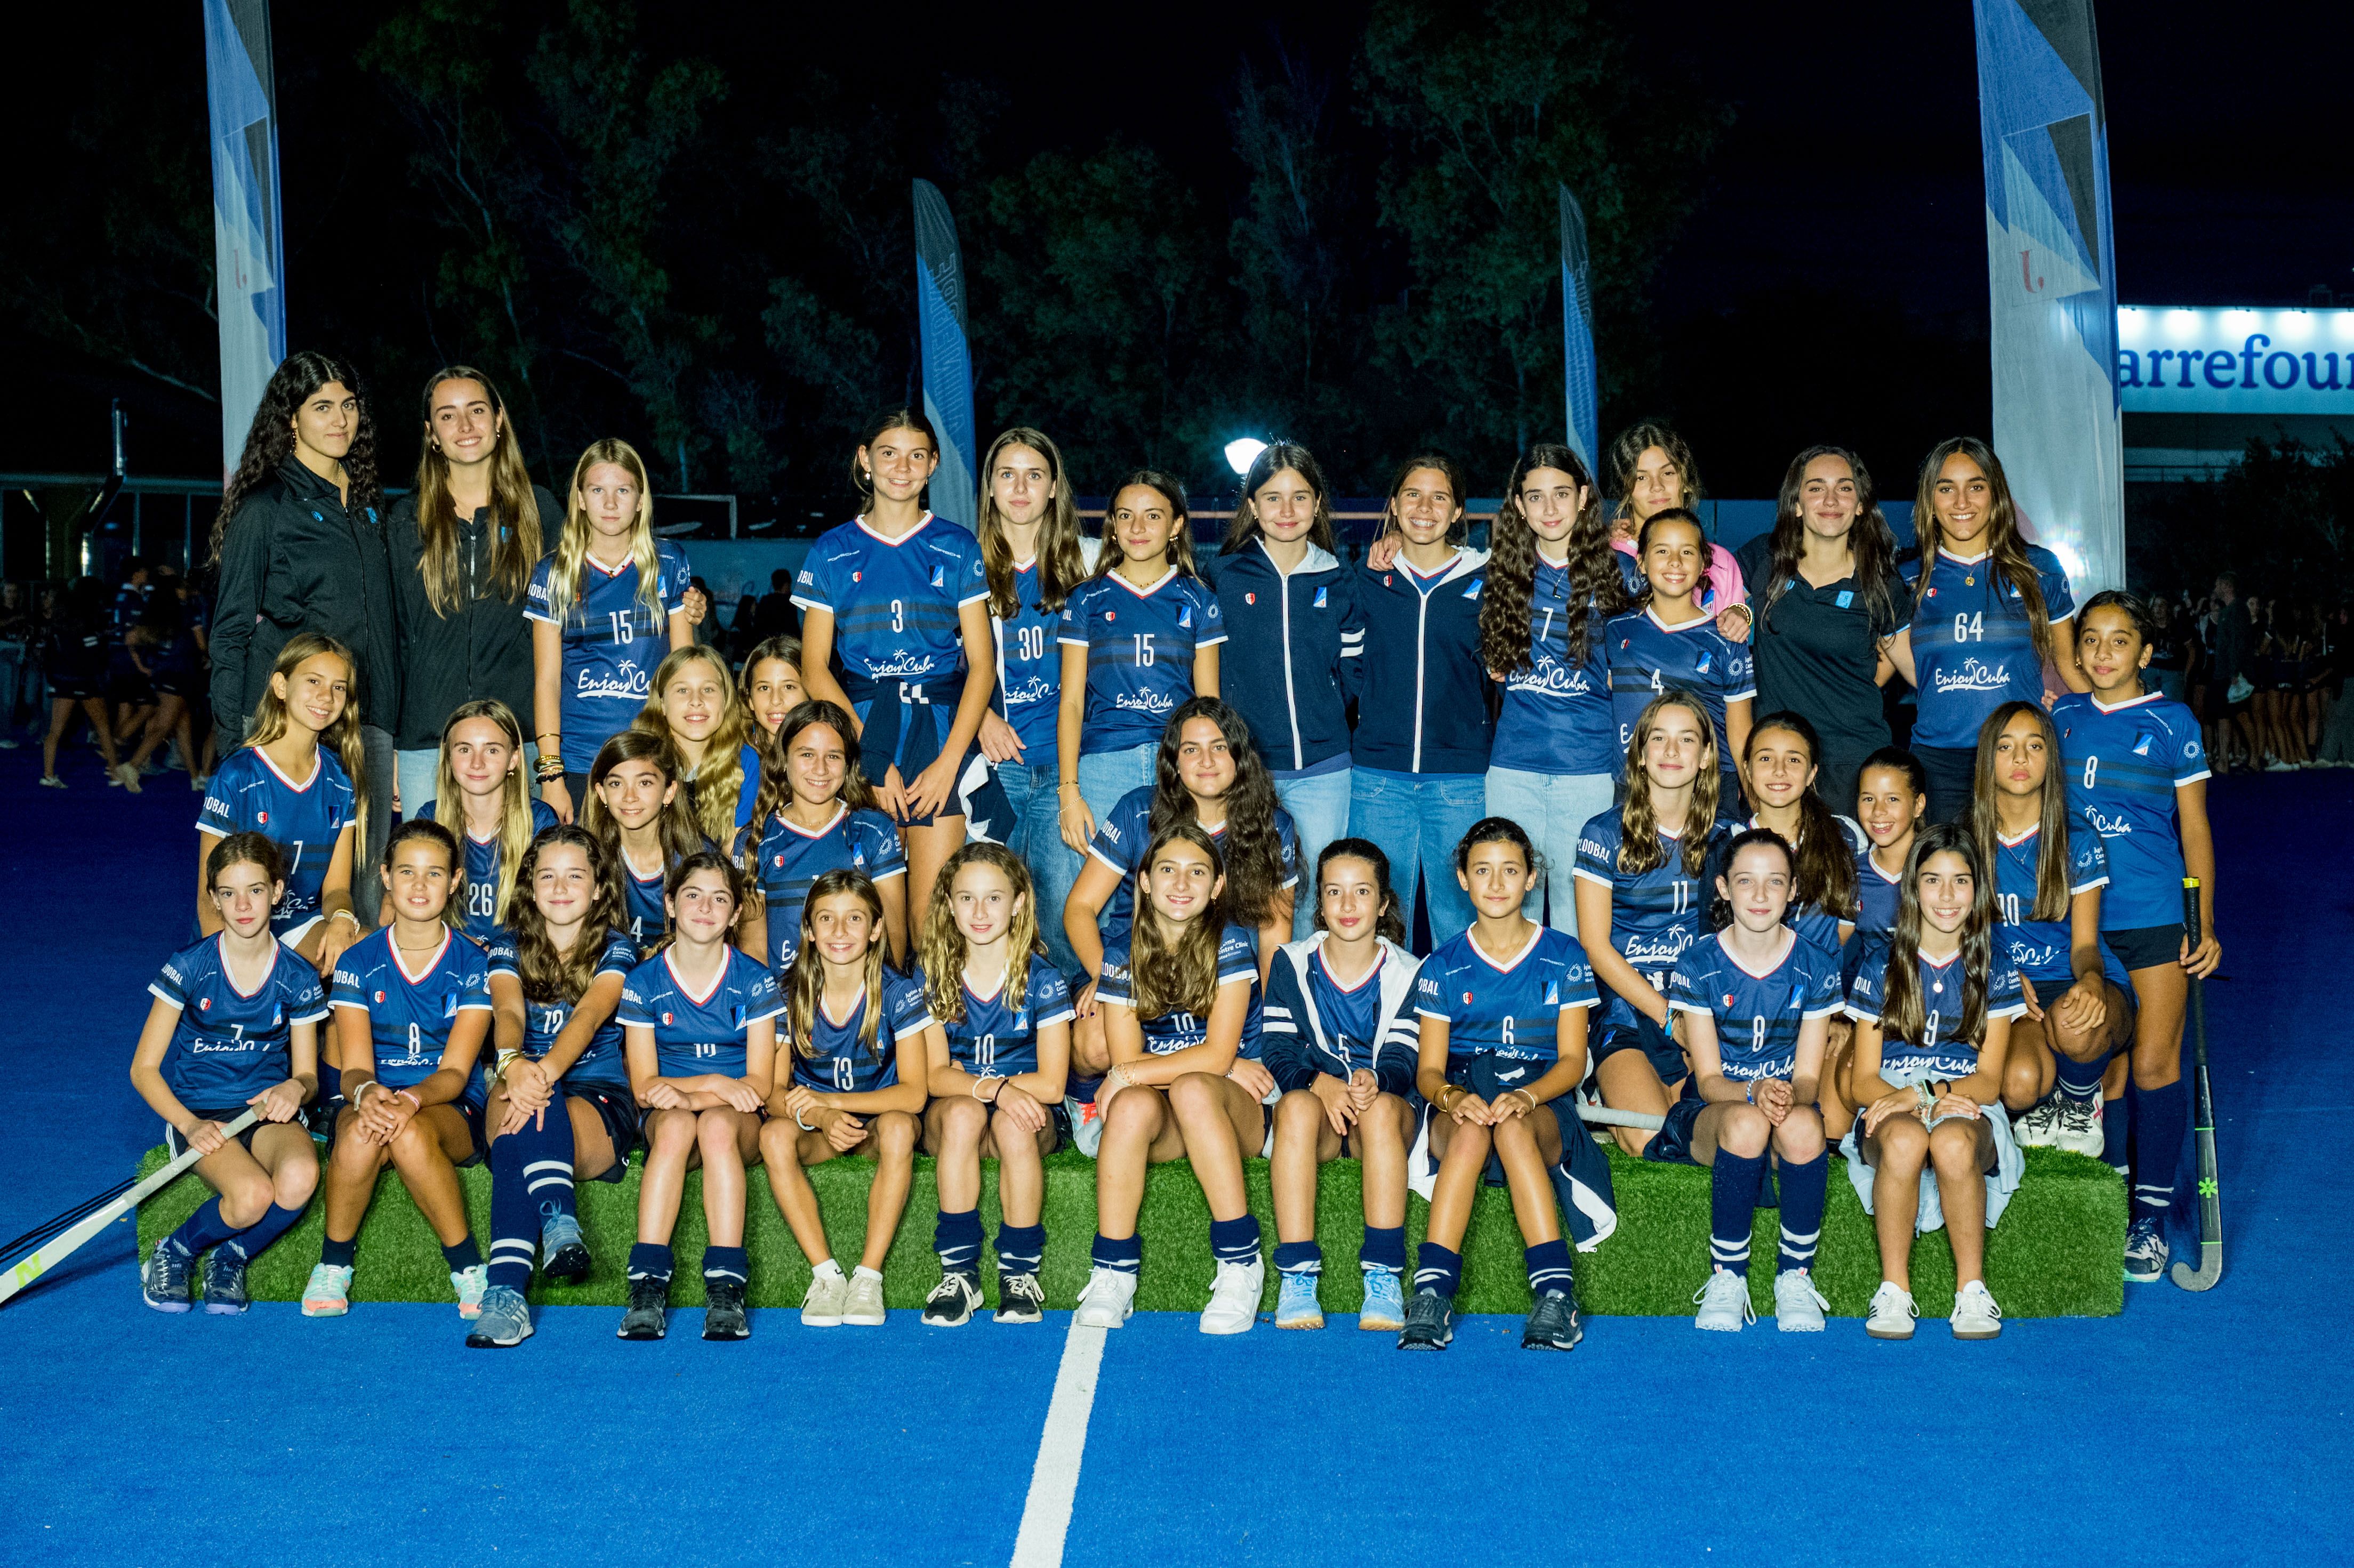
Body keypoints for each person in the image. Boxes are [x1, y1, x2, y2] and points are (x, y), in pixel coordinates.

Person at [2053, 590, 2221, 1281]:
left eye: (2117, 641)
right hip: (2076, 921)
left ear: (2145, 654)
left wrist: (2202, 922)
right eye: (2089, 639)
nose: (2100, 653)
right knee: (2105, 1062)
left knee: (2151, 1064)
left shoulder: (2173, 722)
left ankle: (2146, 1220)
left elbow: (2194, 828)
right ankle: (2109, 1198)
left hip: (2152, 916)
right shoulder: (2058, 717)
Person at [210, 352, 399, 921]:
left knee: (361, 891)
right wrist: (231, 749)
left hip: (367, 725)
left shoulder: (370, 504)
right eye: (322, 407)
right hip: (285, 729)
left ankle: (351, 1010)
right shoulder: (266, 508)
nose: (340, 419)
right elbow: (229, 634)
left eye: (348, 405)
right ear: (290, 419)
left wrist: (390, 727)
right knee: (263, 894)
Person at [791, 408, 995, 930]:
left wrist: (950, 762)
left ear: (931, 466)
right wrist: (872, 757)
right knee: (866, 913)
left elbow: (981, 664)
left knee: (930, 916)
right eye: (888, 453)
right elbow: (815, 668)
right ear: (865, 460)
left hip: (938, 732)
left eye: (915, 456)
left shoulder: (956, 545)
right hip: (863, 730)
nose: (901, 467)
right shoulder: (832, 549)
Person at [1401, 816, 1599, 1353]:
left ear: (1531, 877)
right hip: (1464, 1093)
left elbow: (1571, 1061)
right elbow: (1428, 1071)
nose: (1495, 883)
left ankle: (1556, 1293)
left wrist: (1527, 1095)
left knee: (1511, 1128)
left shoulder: (1564, 955)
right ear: (1462, 880)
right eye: (1481, 870)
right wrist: (1451, 1098)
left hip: (1539, 1102)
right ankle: (1431, 1294)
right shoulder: (1441, 965)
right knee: (1468, 1132)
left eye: (1509, 870)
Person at [1072, 824, 1273, 1335]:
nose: (1181, 883)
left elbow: (1215, 1053)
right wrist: (1129, 1071)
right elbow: (1128, 1059)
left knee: (1187, 1086)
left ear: (1217, 887)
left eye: (1197, 871)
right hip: (1169, 1110)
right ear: (1142, 881)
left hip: (1234, 1108)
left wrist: (1128, 1072)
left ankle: (1240, 1262)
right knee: (1133, 1106)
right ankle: (1112, 1271)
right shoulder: (1120, 953)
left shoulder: (1231, 942)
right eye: (1167, 869)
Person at [1062, 698, 1300, 1100]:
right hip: (1139, 963)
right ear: (1174, 760)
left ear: (1240, 756)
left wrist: (1253, 1041)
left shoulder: (1273, 826)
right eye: (1191, 749)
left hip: (1220, 975)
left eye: (1219, 746)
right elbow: (1078, 909)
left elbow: (1273, 940)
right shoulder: (1138, 809)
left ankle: (1195, 1071)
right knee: (1094, 1040)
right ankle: (1087, 1103)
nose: (1205, 759)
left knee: (1250, 1052)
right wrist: (1108, 977)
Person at [1841, 823, 2024, 1341]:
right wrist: (1906, 1100)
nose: (1946, 896)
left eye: (1960, 881)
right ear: (1912, 889)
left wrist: (1928, 1096)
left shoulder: (1994, 966)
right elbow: (1860, 1080)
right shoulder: (1881, 964)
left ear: (1978, 889)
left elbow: (1987, 1080)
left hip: (1961, 1098)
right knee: (1902, 1138)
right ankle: (1893, 1289)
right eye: (1932, 880)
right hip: (1890, 1095)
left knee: (1947, 1139)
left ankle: (1971, 1289)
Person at [306, 820, 494, 1321]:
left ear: (455, 882)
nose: (418, 885)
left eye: (434, 873)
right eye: (406, 871)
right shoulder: (359, 960)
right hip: (378, 1097)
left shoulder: (474, 963)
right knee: (360, 1135)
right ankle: (333, 1265)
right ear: (385, 876)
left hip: (448, 1107)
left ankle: (468, 1267)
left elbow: (456, 1072)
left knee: (408, 1134)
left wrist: (408, 1098)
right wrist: (367, 1091)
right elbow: (354, 1068)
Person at [131, 833, 325, 1314]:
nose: (244, 905)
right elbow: (144, 1069)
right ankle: (174, 1249)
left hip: (264, 1110)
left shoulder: (297, 976)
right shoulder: (191, 967)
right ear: (213, 897)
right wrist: (190, 1124)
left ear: (278, 891)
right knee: (252, 1196)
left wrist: (294, 1087)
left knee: (300, 1176)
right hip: (202, 1110)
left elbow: (309, 1076)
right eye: (230, 892)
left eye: (256, 890)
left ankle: (232, 1256)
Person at [469, 826, 644, 1347]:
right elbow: (506, 1008)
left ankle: (505, 1292)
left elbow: (588, 1016)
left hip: (597, 1097)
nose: (561, 886)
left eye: (575, 875)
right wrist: (511, 1061)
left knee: (532, 1104)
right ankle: (556, 1220)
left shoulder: (618, 948)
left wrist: (537, 1072)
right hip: (522, 1085)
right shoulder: (507, 942)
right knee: (517, 1102)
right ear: (529, 886)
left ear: (598, 889)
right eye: (548, 875)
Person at [1665, 829, 1841, 1332]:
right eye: (1745, 881)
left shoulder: (1816, 966)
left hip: (1784, 1109)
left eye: (1774, 882)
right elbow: (1709, 1078)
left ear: (1792, 891)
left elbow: (1807, 1077)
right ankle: (1728, 1276)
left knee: (1805, 1127)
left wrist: (1786, 1095)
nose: (1760, 896)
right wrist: (1755, 1091)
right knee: (1745, 1123)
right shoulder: (1699, 962)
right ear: (1722, 888)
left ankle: (1794, 1277)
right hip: (1718, 1111)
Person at [615, 853, 781, 1342]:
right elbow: (645, 1086)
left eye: (719, 898)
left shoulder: (754, 979)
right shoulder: (644, 981)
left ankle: (727, 1287)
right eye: (692, 895)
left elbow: (758, 1085)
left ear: (734, 915)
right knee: (675, 1125)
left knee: (713, 1124)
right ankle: (646, 1285)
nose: (705, 907)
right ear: (669, 904)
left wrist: (699, 1094)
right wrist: (711, 1086)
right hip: (673, 1115)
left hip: (734, 1120)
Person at [756, 869, 931, 1329]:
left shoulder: (898, 992)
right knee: (774, 1137)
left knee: (897, 1127)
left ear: (876, 929)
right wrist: (820, 1113)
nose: (839, 931)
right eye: (826, 919)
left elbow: (914, 1093)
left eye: (854, 918)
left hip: (875, 1124)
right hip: (821, 1127)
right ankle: (826, 1275)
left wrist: (834, 1100)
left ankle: (868, 1277)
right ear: (809, 932)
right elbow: (772, 1092)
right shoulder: (788, 993)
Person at [1204, 443, 1364, 937]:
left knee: (1315, 896)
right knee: (1247, 896)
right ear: (1252, 506)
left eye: (1299, 497)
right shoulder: (1223, 576)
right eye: (1273, 498)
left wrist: (1328, 716)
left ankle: (1304, 1005)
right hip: (1248, 769)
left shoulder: (1339, 579)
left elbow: (1355, 670)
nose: (1287, 510)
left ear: (1317, 503)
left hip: (1324, 768)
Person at [911, 844, 1073, 1326]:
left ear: (1019, 902)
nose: (979, 912)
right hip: (959, 1114)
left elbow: (1051, 1082)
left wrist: (1000, 1096)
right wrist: (996, 1088)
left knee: (1012, 1124)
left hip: (1022, 1119)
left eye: (994, 898)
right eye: (966, 898)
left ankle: (1018, 1273)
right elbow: (935, 1076)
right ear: (948, 903)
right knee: (963, 1113)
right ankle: (959, 1273)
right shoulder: (932, 974)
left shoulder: (1042, 979)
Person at [1885, 438, 2088, 822]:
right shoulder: (1905, 579)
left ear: (1996, 494)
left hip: (2019, 758)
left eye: (1975, 486)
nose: (1961, 502)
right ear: (1929, 499)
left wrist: (2120, 718)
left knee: (2019, 880)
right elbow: (1873, 674)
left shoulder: (2038, 568)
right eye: (1946, 488)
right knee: (1947, 880)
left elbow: (2069, 665)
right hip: (1938, 765)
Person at [1263, 840, 1421, 1332]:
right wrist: (1316, 1082)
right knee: (1292, 1106)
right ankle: (1297, 1274)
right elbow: (1278, 1048)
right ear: (1320, 902)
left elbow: (1405, 1056)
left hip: (1384, 1110)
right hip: (1322, 1113)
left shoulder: (1410, 970)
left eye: (1361, 892)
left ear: (1384, 903)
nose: (1347, 906)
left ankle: (1383, 1273)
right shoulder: (1291, 961)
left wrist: (1376, 1080)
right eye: (1334, 892)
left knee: (1376, 1112)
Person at [387, 367, 557, 820]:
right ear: (431, 434)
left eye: (477, 410)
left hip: (519, 742)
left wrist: (684, 601)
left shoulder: (539, 511)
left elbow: (583, 609)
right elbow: (393, 639)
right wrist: (392, 748)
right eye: (448, 415)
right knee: (430, 883)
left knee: (522, 883)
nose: (465, 426)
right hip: (428, 744)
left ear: (499, 419)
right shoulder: (404, 520)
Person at [1971, 702, 2135, 1161]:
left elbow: (2085, 944)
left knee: (2073, 1020)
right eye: (2005, 747)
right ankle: (2050, 1095)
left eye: (2034, 746)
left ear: (2049, 758)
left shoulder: (2076, 838)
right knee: (2019, 1083)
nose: (2020, 759)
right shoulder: (1966, 841)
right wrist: (1997, 974)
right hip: (2013, 993)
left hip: (2073, 979)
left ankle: (2078, 1099)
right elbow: (1959, 941)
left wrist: (2089, 981)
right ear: (1988, 758)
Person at [1479, 443, 1633, 934]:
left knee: (1574, 911)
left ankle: (1574, 1012)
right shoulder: (1500, 572)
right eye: (1536, 497)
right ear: (1519, 505)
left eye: (1561, 494)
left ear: (1584, 497)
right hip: (1512, 767)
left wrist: (1743, 613)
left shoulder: (1621, 573)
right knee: (1507, 909)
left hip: (1586, 769)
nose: (1549, 509)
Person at [1574, 691, 1730, 1156]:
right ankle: (1603, 1081)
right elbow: (1596, 946)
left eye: (1686, 740)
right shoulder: (1602, 833)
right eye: (1658, 738)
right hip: (1626, 1005)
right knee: (1649, 1136)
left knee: (1705, 1128)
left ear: (1705, 756)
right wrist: (1669, 1017)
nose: (1670, 750)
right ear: (1640, 754)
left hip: (1699, 1009)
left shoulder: (1728, 839)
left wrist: (1695, 1018)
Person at [1349, 454, 1493, 947]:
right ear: (1393, 504)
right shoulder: (1367, 577)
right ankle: (1393, 1023)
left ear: (1457, 512)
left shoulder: (1487, 579)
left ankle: (1459, 1022)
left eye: (1439, 497)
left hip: (1459, 777)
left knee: (1460, 918)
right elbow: (1349, 668)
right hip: (1377, 777)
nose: (1424, 507)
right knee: (1380, 920)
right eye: (1412, 494)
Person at [971, 428, 1096, 986]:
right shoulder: (962, 562)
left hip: (1067, 767)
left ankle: (1067, 1056)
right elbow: (932, 661)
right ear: (990, 488)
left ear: (1053, 488)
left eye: (1034, 474)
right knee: (986, 915)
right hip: (993, 767)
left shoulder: (1091, 560)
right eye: (1007, 474)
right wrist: (977, 715)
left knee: (1063, 922)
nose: (1020, 486)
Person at [1055, 471, 1224, 866]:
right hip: (1103, 763)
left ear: (1176, 525)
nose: (1137, 527)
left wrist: (1210, 782)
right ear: (1112, 525)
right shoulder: (1087, 598)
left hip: (1176, 765)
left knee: (1175, 889)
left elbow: (1209, 705)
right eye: (1125, 515)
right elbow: (1072, 703)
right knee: (1100, 901)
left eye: (1152, 516)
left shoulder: (1198, 598)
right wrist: (1069, 791)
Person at [527, 437, 694, 822]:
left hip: (652, 757)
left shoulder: (668, 561)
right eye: (597, 490)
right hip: (581, 761)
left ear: (640, 499)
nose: (611, 502)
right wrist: (552, 775)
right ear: (580, 498)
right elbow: (547, 680)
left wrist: (682, 754)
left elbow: (683, 671)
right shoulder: (553, 572)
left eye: (623, 490)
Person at [1733, 446, 1907, 808]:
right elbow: (1689, 569)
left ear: (1860, 504)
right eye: (1815, 488)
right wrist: (1738, 607)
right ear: (1795, 503)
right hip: (1780, 766)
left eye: (1844, 488)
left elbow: (1917, 666)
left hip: (1854, 763)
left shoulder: (1880, 582)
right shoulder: (1763, 561)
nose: (1830, 499)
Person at [196, 632, 366, 974]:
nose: (326, 696)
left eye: (339, 687)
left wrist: (342, 920)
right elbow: (208, 895)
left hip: (300, 924)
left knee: (370, 961)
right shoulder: (238, 775)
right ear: (281, 686)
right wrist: (228, 971)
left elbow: (336, 890)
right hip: (240, 927)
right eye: (314, 681)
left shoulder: (340, 781)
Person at [734, 698, 907, 972]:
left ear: (849, 763)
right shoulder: (756, 840)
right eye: (807, 754)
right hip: (785, 1005)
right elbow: (753, 950)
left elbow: (894, 937)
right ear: (783, 759)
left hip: (861, 1000)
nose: (821, 769)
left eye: (833, 756)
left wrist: (872, 1001)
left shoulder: (875, 831)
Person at [1603, 507, 1754, 802]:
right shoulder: (1616, 631)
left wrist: (1758, 808)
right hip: (1634, 789)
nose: (1675, 562)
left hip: (1708, 794)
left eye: (1687, 552)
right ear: (1642, 562)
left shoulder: (1727, 639)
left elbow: (1740, 733)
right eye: (1662, 551)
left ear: (1703, 566)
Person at [415, 699, 558, 944]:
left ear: (513, 759)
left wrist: (499, 955)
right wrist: (470, 948)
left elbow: (556, 916)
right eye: (464, 749)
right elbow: (413, 913)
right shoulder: (430, 819)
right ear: (448, 757)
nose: (477, 763)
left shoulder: (541, 821)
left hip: (521, 960)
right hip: (452, 958)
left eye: (492, 750)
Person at [1734, 712, 1864, 961]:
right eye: (1766, 758)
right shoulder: (1731, 841)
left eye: (1793, 760)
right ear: (1748, 770)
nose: (1779, 771)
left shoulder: (1846, 836)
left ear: (1812, 773)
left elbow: (1847, 926)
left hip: (1822, 990)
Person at [1604, 422, 1748, 626]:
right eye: (1642, 477)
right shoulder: (1605, 558)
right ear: (1625, 489)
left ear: (1686, 481)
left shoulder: (1720, 563)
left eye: (1668, 473)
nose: (1657, 486)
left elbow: (1730, 651)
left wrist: (1741, 614)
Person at [580, 730, 709, 953]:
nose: (630, 797)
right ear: (601, 793)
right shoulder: (585, 855)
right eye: (616, 784)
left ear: (669, 791)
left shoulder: (699, 857)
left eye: (645, 783)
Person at [633, 645, 754, 844]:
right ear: (662, 703)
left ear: (725, 701)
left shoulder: (744, 760)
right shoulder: (638, 759)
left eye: (708, 689)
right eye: (682, 690)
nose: (696, 701)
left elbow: (734, 850)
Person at [38, 576, 125, 789]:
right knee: (103, 728)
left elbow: (52, 652)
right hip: (86, 682)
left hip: (64, 681)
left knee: (55, 731)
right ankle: (115, 773)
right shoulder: (87, 619)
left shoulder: (59, 620)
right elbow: (93, 654)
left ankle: (48, 775)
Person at [734, 633, 806, 824]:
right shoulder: (735, 757)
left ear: (810, 693)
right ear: (749, 699)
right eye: (764, 688)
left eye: (789, 687)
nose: (776, 700)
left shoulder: (826, 758)